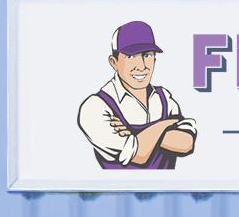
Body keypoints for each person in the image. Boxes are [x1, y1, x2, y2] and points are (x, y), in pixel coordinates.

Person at [77, 19, 197, 173]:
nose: (141, 66)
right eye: (131, 56)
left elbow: (186, 143)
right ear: (114, 62)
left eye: (147, 55)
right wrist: (166, 124)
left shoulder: (164, 97)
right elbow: (139, 155)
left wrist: (135, 134)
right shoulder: (95, 107)